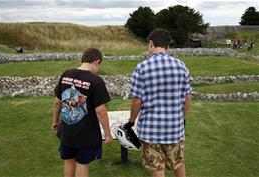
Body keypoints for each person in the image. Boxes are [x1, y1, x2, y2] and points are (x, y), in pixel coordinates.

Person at [123, 28, 191, 177]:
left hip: (150, 130)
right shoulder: (181, 66)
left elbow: (136, 101)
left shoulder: (142, 68)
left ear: (151, 43)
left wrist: (131, 121)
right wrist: (182, 117)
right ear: (168, 46)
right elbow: (187, 98)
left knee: (157, 167)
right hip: (175, 128)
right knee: (178, 163)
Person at [51, 48, 113, 177]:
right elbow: (101, 112)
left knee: (69, 161)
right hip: (86, 134)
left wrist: (55, 121)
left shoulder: (66, 74)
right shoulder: (96, 81)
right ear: (96, 61)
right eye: (99, 65)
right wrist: (107, 134)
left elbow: (57, 102)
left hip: (66, 130)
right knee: (82, 164)